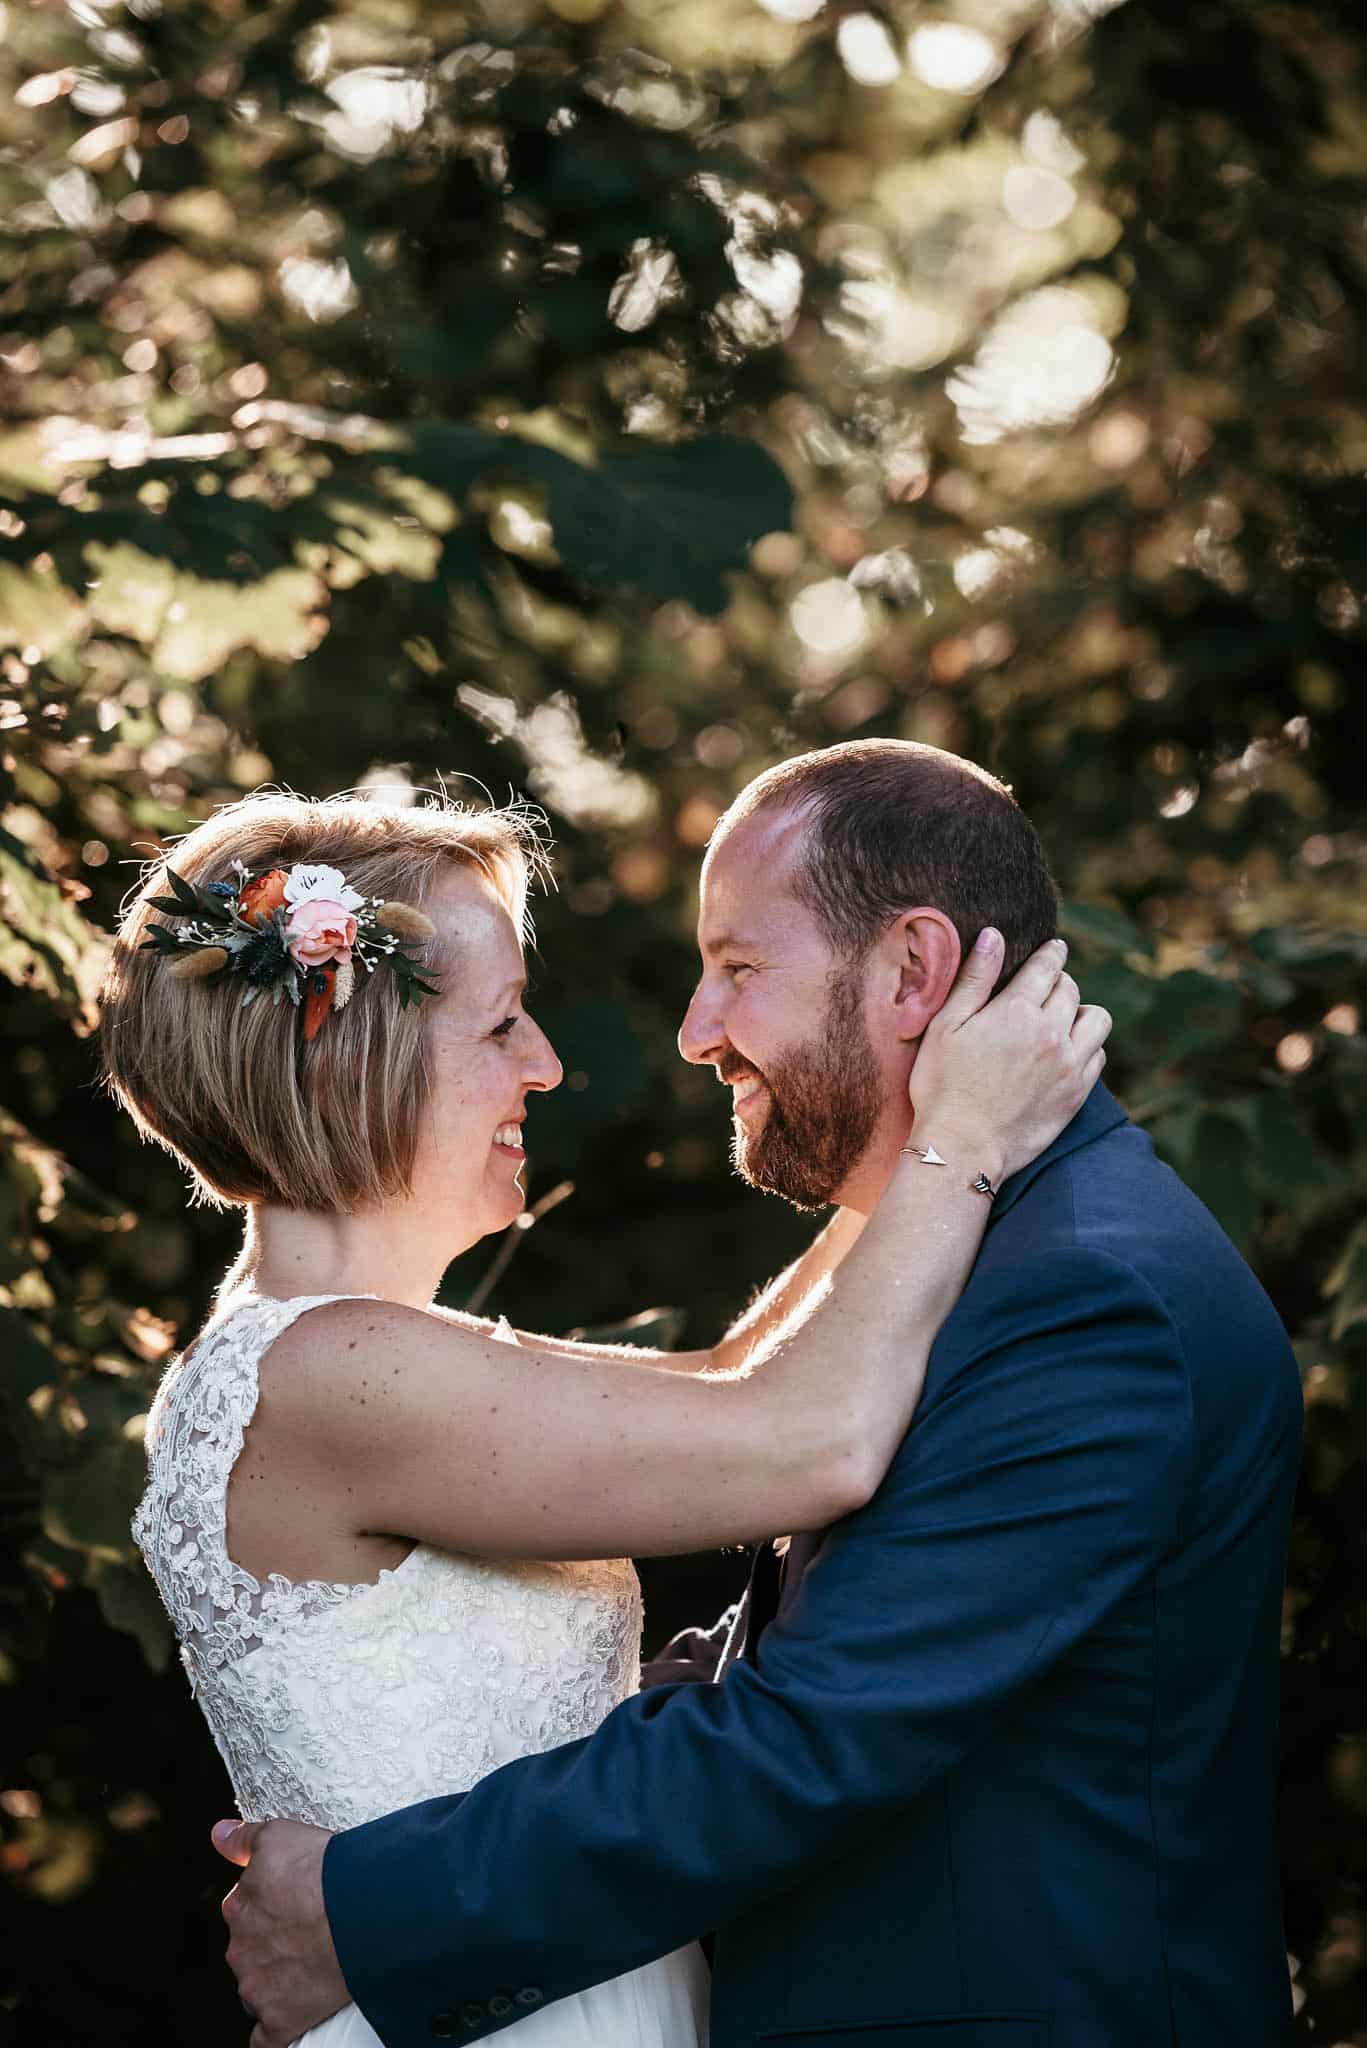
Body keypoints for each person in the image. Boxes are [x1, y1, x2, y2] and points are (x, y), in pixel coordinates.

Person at [210, 741, 1303, 2048]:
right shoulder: (992, 1246)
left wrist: (374, 1910)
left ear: (914, 971)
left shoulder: (1086, 1296)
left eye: (738, 969)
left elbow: (811, 1733)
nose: (694, 1032)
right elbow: (800, 1609)